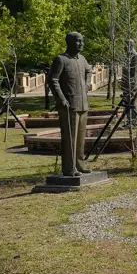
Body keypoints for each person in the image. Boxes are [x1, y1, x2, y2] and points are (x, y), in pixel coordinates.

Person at [47, 32, 89, 177]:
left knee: (81, 138)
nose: (81, 44)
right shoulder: (61, 59)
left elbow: (88, 71)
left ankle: (79, 164)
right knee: (70, 138)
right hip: (69, 106)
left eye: (82, 41)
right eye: (78, 41)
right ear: (70, 43)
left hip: (83, 104)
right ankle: (69, 168)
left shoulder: (82, 59)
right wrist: (61, 99)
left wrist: (87, 84)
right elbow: (53, 80)